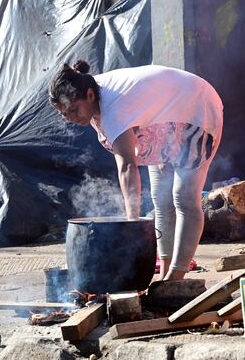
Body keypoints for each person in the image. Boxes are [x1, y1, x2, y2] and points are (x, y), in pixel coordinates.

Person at [49, 61, 223, 281]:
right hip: (162, 117)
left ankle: (176, 276)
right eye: (65, 114)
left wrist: (131, 222)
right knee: (161, 199)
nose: (72, 117)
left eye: (74, 110)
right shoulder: (91, 93)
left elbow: (127, 166)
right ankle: (165, 273)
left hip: (196, 108)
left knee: (184, 199)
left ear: (90, 95)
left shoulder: (113, 108)